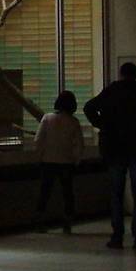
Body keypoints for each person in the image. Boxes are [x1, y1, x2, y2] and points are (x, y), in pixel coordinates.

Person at [84, 61, 136, 250]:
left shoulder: (111, 91)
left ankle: (117, 237)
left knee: (116, 194)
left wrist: (103, 125)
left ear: (121, 73)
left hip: (114, 148)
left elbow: (89, 107)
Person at [34, 90, 84, 233]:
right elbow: (79, 145)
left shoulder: (47, 118)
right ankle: (67, 223)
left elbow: (38, 140)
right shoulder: (74, 122)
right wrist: (77, 160)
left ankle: (39, 220)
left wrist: (40, 157)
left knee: (45, 192)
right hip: (67, 163)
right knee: (67, 193)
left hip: (48, 161)